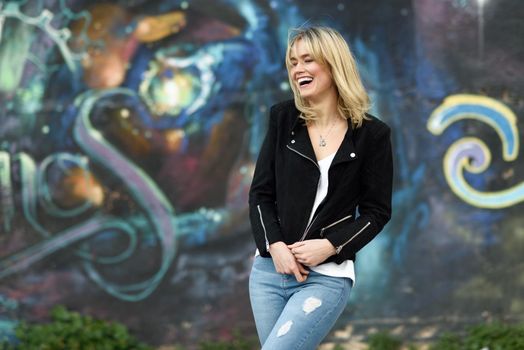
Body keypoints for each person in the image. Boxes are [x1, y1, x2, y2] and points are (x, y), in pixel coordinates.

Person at [248, 25, 393, 349]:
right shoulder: (283, 118)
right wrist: (276, 246)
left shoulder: (372, 135)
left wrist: (330, 245)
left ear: (332, 63)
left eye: (308, 60)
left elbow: (377, 212)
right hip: (269, 272)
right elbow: (260, 194)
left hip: (326, 277)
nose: (298, 69)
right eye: (293, 62)